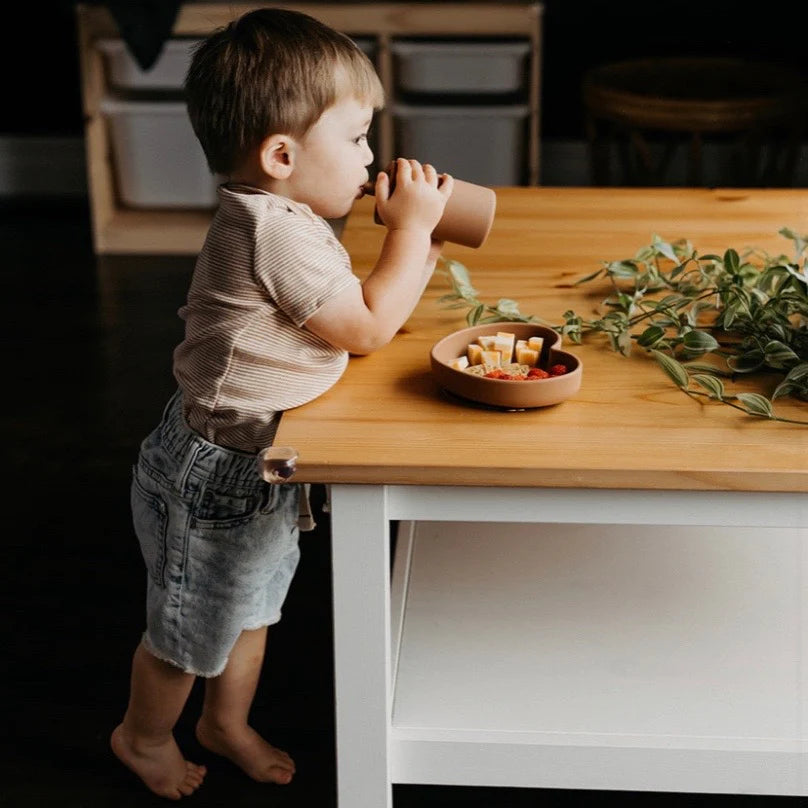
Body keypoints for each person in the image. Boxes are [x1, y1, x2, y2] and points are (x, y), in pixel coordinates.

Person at [110, 6, 452, 800]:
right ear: (282, 154)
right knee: (187, 633)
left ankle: (222, 724)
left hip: (257, 460)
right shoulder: (274, 231)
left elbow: (363, 304)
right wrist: (411, 234)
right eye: (359, 136)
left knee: (252, 610)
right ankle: (142, 735)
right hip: (215, 471)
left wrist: (419, 248)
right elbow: (366, 326)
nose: (371, 156)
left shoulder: (281, 213)